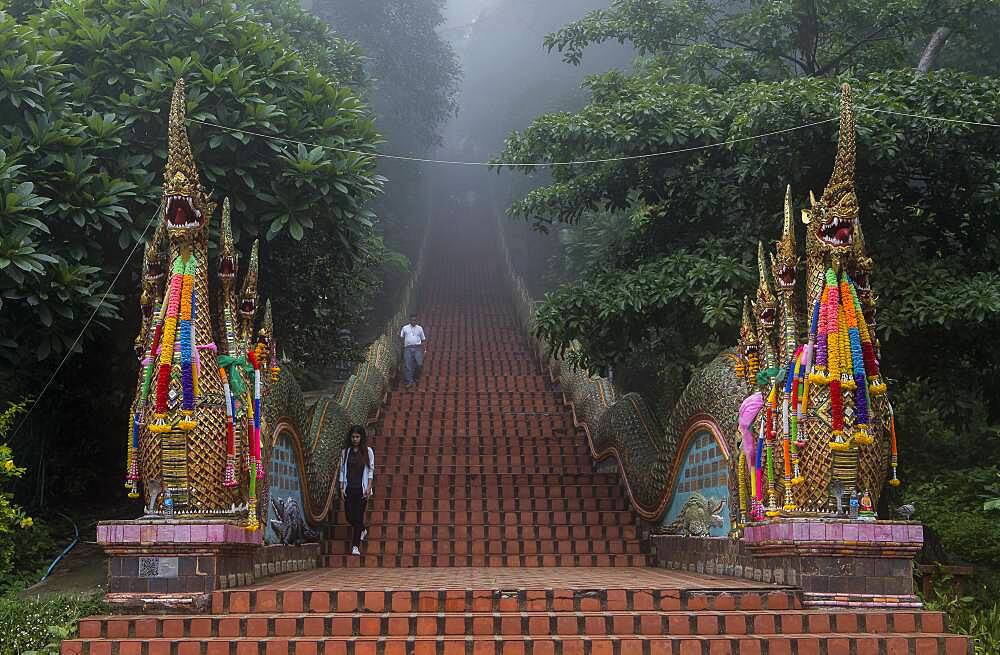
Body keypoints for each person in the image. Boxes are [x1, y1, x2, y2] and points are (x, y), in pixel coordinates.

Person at [339, 425, 374, 556]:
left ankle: (355, 546)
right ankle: (363, 529)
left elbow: (371, 470)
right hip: (349, 488)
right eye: (353, 437)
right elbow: (342, 471)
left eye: (357, 437)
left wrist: (369, 487)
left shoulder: (367, 451)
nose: (355, 439)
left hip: (362, 489)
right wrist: (341, 487)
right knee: (349, 516)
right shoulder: (345, 452)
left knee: (358, 517)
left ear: (361, 437)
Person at [400, 313, 427, 390]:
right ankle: (409, 381)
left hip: (418, 347)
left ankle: (416, 376)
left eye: (415, 320)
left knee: (419, 364)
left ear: (416, 320)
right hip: (408, 348)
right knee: (408, 365)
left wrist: (424, 350)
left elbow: (423, 340)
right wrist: (403, 347)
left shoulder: (420, 328)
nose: (413, 321)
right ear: (410, 320)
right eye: (412, 320)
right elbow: (401, 338)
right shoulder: (405, 328)